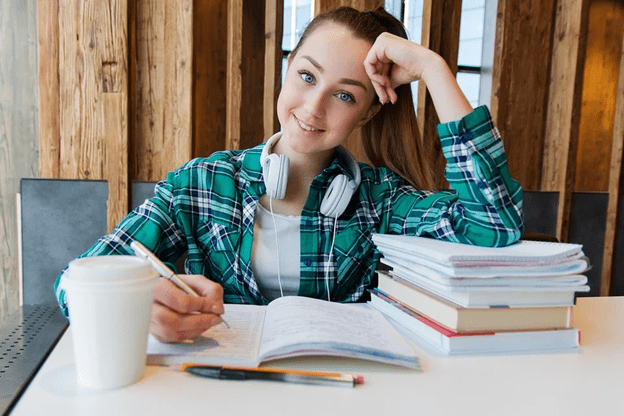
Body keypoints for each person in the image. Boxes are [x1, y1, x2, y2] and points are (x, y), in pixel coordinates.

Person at [54, 6, 523, 343]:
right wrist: (139, 306)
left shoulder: (380, 201)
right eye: (306, 76)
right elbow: (72, 285)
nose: (313, 108)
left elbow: (494, 224)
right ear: (286, 69)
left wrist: (434, 69)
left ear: (364, 114)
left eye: (345, 96)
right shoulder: (198, 186)